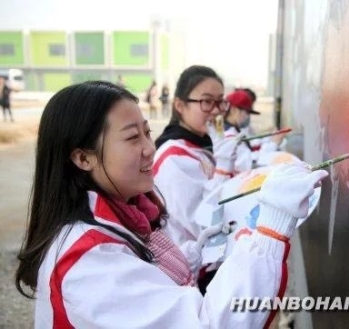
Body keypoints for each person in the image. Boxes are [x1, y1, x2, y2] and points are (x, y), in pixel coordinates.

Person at [14, 80, 328, 327]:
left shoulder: (123, 211)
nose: (150, 148)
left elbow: (152, 277)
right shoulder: (89, 260)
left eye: (147, 133)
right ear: (83, 157)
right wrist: (272, 225)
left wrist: (197, 255)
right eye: (132, 138)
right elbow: (208, 323)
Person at [153, 65, 240, 293]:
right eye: (206, 101)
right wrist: (222, 167)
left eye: (220, 101)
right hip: (192, 273)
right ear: (180, 105)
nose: (216, 111)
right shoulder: (173, 156)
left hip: (209, 261)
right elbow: (202, 224)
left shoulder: (199, 144)